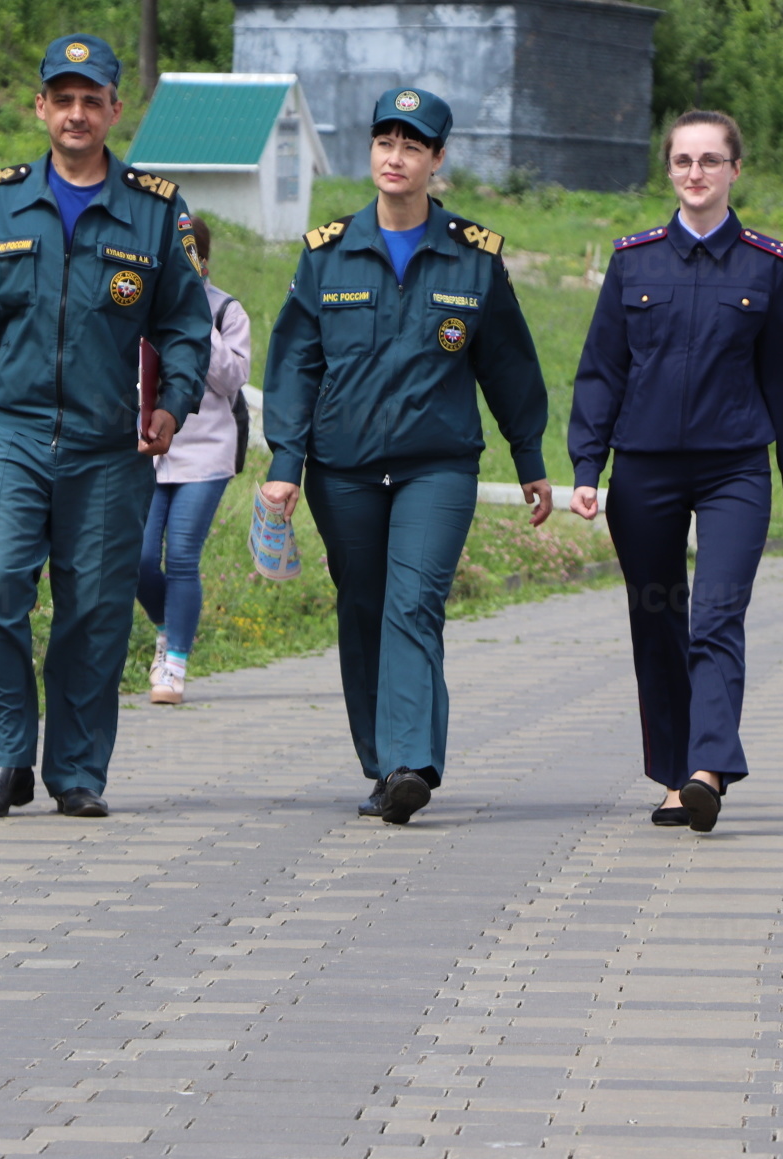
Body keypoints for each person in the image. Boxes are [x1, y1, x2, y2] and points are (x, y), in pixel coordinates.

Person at [0, 33, 212, 819]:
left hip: (108, 445)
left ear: (115, 110)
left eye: (93, 100)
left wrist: (173, 404)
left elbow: (188, 327)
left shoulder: (156, 212)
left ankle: (78, 771)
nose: (78, 113)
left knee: (93, 608)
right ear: (42, 108)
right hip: (17, 434)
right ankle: (5, 758)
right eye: (64, 99)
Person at [261, 87, 550, 826]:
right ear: (371, 152)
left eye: (413, 146)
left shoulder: (473, 258)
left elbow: (509, 366)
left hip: (436, 464)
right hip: (343, 467)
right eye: (385, 142)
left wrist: (529, 459)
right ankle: (381, 761)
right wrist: (284, 464)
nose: (396, 157)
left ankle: (410, 762)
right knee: (361, 607)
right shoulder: (327, 254)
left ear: (436, 160)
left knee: (413, 601)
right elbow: (294, 365)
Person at [566, 109, 783, 834]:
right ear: (669, 170)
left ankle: (709, 768)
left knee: (715, 616)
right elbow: (601, 370)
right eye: (683, 161)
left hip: (736, 469)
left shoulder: (767, 265)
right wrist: (589, 462)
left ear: (736, 169)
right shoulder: (634, 260)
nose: (696, 173)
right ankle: (678, 777)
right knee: (658, 618)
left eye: (711, 160)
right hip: (644, 471)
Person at [139, 216, 252, 705]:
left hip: (205, 451)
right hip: (146, 450)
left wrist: (196, 324)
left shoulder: (227, 311)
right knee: (137, 558)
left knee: (182, 555)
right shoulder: (140, 303)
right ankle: (170, 626)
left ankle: (175, 665)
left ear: (201, 262)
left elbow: (232, 380)